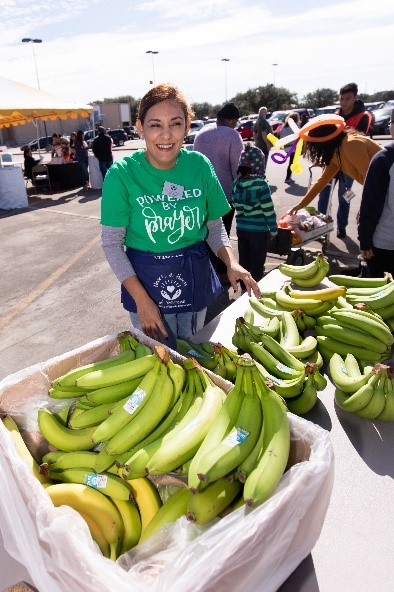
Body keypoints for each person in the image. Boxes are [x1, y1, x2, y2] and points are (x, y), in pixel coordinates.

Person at [100, 83, 260, 349]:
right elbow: (111, 243)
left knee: (192, 347)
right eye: (155, 125)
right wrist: (142, 301)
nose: (166, 135)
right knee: (158, 360)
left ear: (188, 126)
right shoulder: (121, 175)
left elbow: (213, 225)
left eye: (175, 123)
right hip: (145, 282)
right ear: (140, 128)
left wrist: (231, 262)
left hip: (194, 276)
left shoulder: (199, 165)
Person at [193, 102, 243, 283]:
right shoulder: (232, 135)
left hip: (199, 193)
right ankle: (222, 274)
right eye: (236, 121)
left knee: (203, 234)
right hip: (224, 195)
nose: (236, 125)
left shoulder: (202, 132)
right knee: (222, 235)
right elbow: (237, 168)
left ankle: (205, 272)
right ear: (230, 121)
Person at [287, 125, 382, 216]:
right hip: (385, 186)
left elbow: (372, 180)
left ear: (323, 142)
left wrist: (365, 208)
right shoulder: (337, 152)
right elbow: (322, 181)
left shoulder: (350, 144)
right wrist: (300, 205)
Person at [317, 82, 372, 238]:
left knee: (345, 196)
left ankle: (342, 226)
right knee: (324, 194)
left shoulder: (364, 116)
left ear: (355, 98)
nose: (344, 102)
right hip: (332, 161)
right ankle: (320, 226)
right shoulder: (335, 115)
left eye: (348, 99)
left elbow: (358, 138)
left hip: (350, 165)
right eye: (341, 99)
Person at [232, 143, 277, 283]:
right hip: (258, 231)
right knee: (257, 262)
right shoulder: (261, 184)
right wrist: (273, 231)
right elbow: (268, 210)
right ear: (259, 165)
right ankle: (256, 287)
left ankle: (245, 289)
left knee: (244, 260)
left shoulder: (236, 184)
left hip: (242, 228)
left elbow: (235, 204)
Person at [357, 112, 394, 276]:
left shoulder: (384, 159)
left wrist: (365, 241)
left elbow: (371, 205)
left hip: (384, 246)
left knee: (380, 295)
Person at [279, 111, 300, 185]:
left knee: (291, 162)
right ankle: (288, 178)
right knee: (291, 163)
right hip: (293, 147)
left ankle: (289, 177)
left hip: (286, 148)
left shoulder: (284, 127)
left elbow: (280, 137)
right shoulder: (295, 127)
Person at [253, 106, 272, 173]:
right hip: (263, 145)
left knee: (258, 161)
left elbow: (254, 133)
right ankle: (262, 176)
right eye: (265, 112)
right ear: (264, 112)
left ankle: (258, 176)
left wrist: (255, 142)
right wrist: (268, 144)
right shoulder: (263, 121)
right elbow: (264, 133)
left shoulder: (257, 121)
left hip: (258, 144)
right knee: (263, 162)